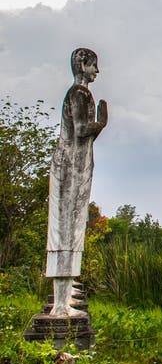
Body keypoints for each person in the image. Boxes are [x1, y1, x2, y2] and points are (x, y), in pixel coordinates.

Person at [46, 47, 107, 316]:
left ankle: (67, 290)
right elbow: (82, 130)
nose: (96, 71)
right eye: (94, 66)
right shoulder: (79, 93)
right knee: (66, 228)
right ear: (82, 65)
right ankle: (60, 303)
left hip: (76, 163)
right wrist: (101, 122)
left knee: (73, 226)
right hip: (70, 164)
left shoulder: (80, 93)